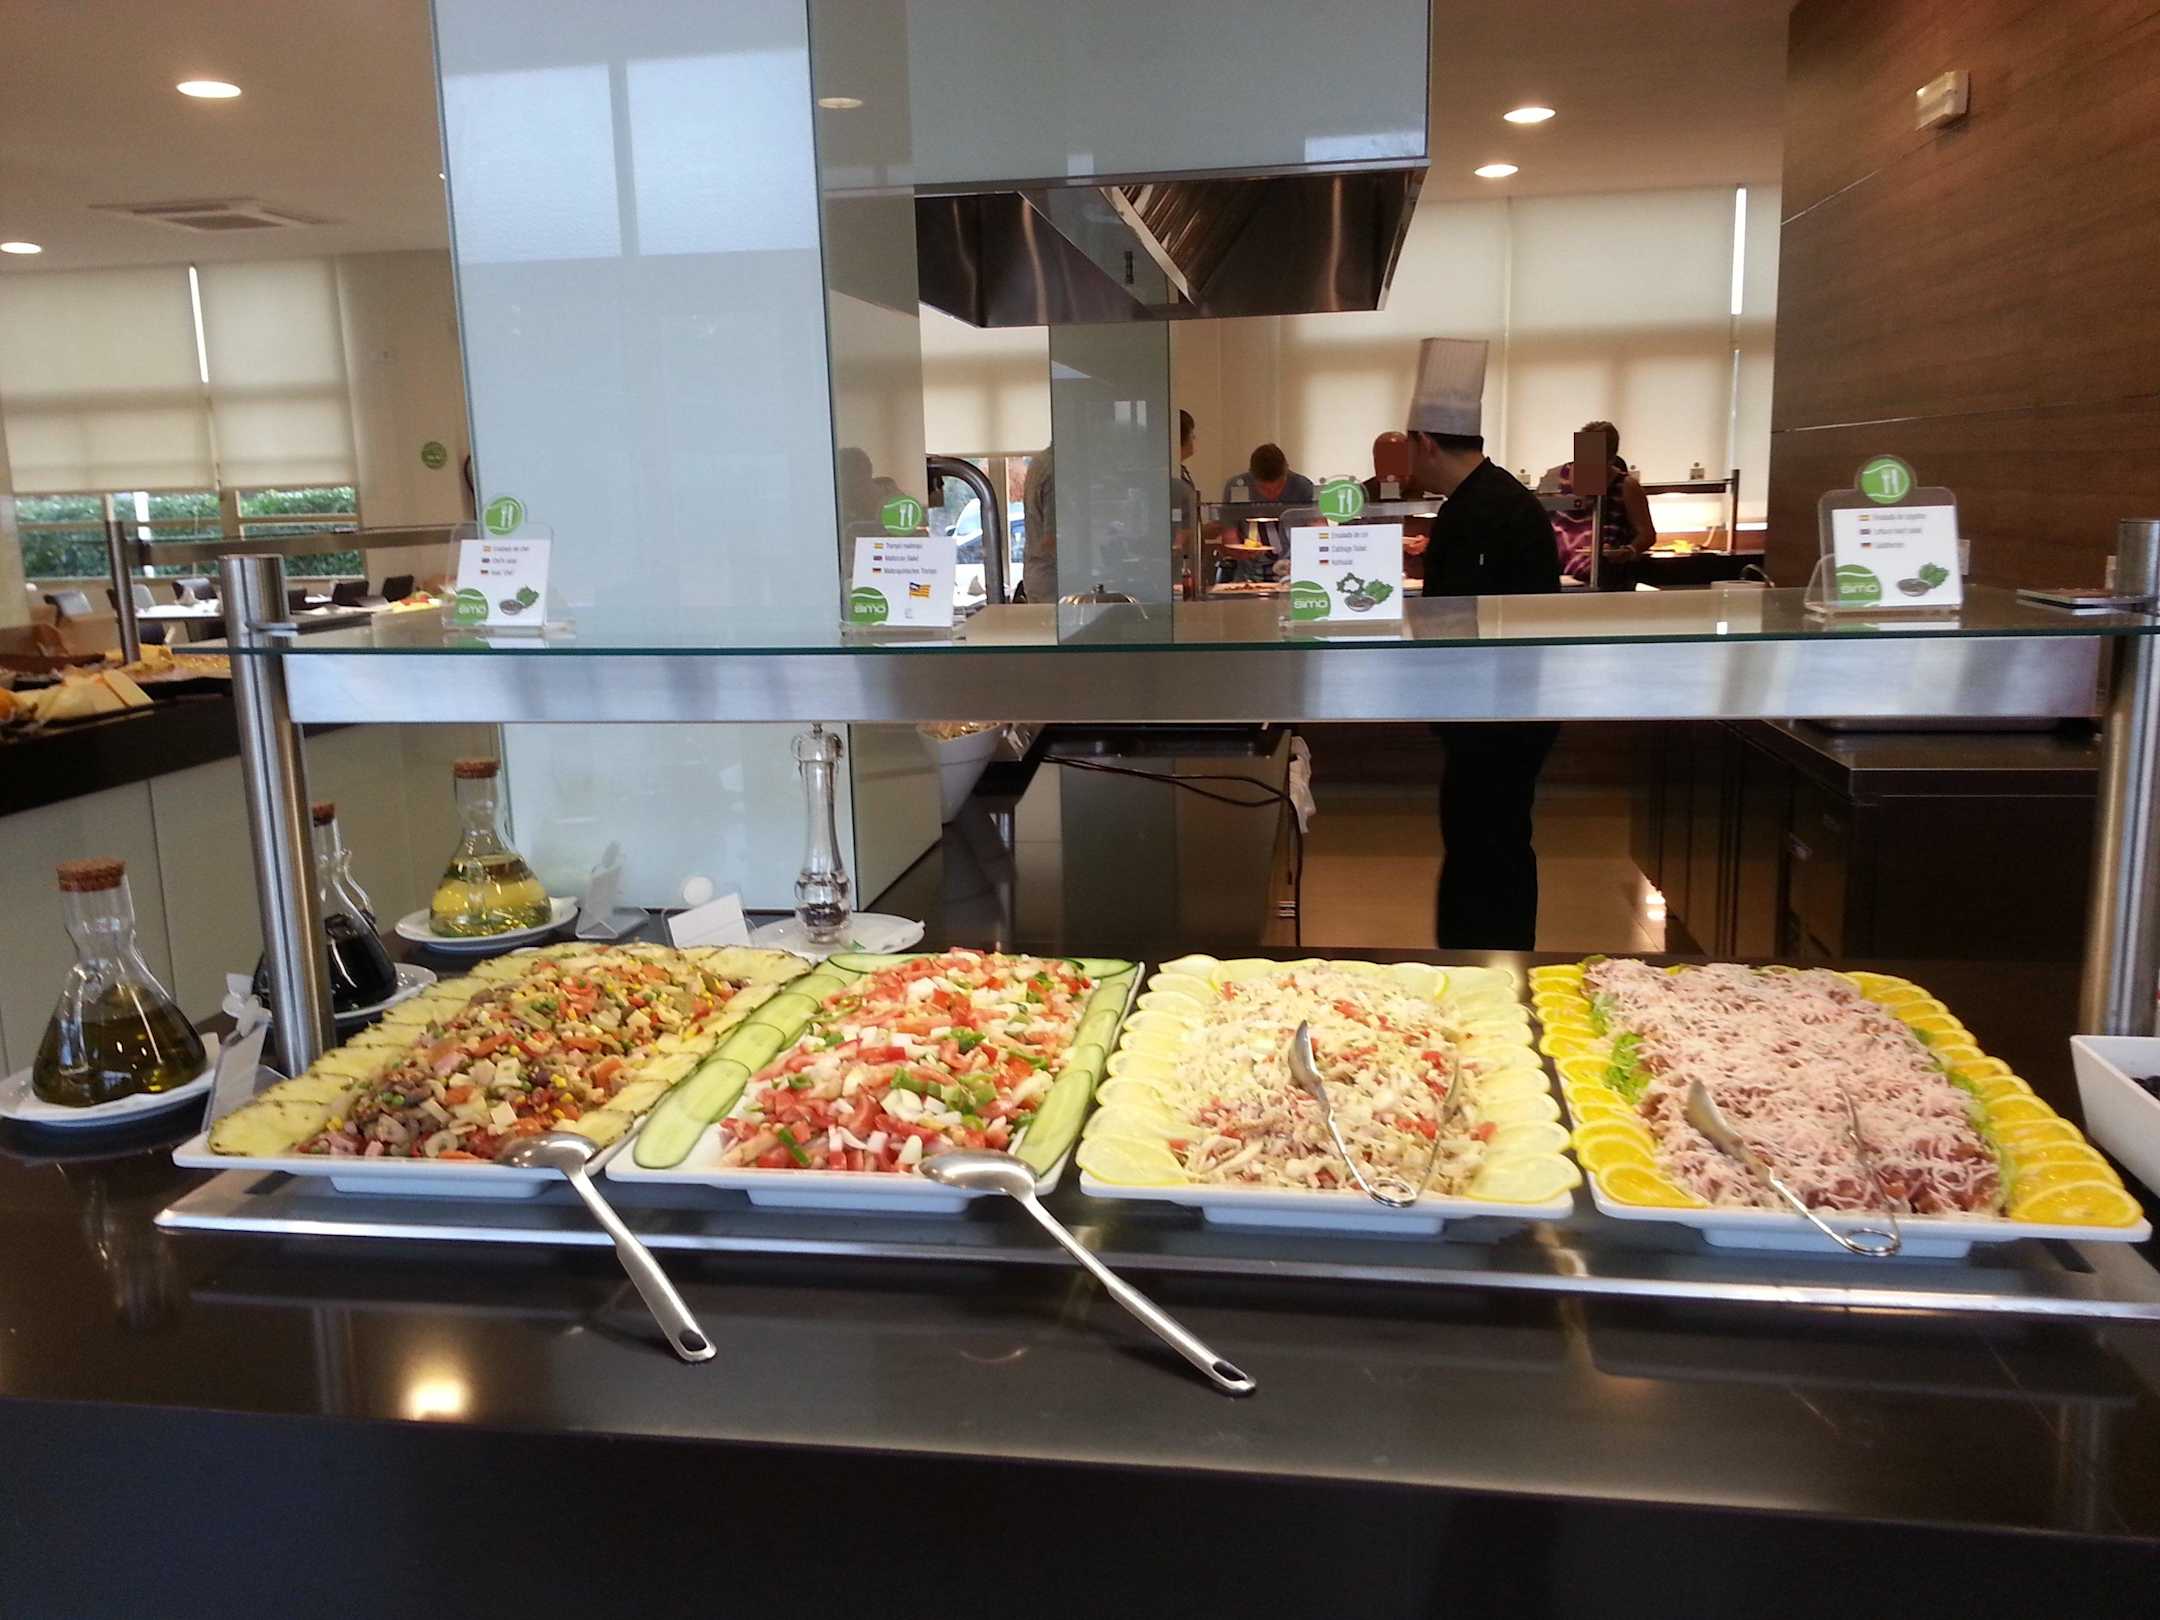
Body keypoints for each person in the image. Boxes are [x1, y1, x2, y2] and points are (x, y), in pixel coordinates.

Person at [1405, 337, 1563, 951]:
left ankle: (1488, 964)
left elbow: (1457, 620)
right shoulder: (1490, 499)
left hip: (1497, 718)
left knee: (1488, 846)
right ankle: (1485, 959)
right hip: (1498, 713)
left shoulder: (1481, 510)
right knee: (1487, 841)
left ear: (1425, 443)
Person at [1539, 420, 1656, 589]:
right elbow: (1537, 520)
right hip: (1559, 575)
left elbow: (1647, 534)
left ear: (1611, 459)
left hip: (1607, 579)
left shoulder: (1626, 486)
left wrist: (1628, 551)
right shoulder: (1554, 477)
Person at [1219, 444, 1314, 580]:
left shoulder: (1302, 486)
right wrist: (1239, 552)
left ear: (1286, 472)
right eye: (1264, 489)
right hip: (1249, 574)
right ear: (1252, 477)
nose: (1272, 494)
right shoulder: (1237, 488)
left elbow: (1318, 529)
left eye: (1279, 487)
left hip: (1295, 571)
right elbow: (1229, 535)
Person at [1361, 430, 1431, 586]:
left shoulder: (1431, 489)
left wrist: (1428, 544)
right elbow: (1346, 537)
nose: (1391, 470)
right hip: (1373, 579)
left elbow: (1454, 538)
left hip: (1421, 579)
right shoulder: (1362, 493)